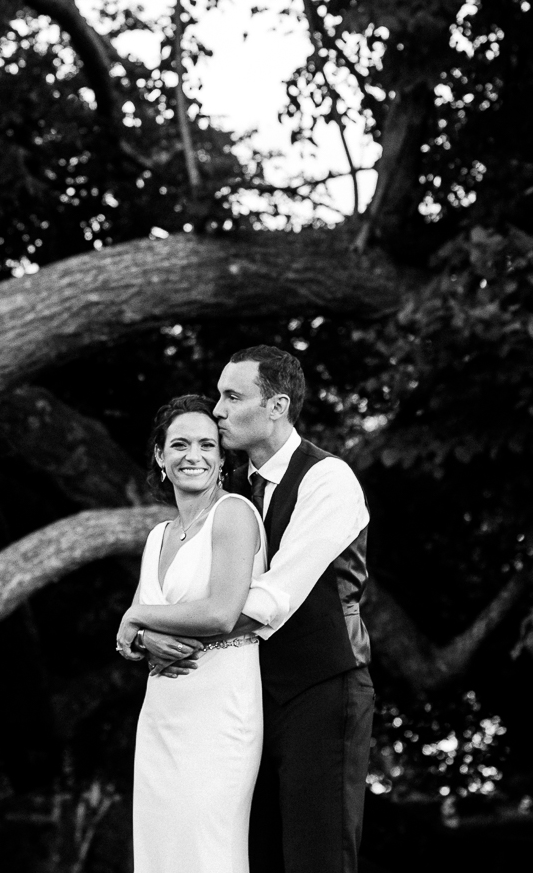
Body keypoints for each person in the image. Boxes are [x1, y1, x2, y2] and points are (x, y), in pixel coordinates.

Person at [212, 345, 374, 873]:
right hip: (247, 696)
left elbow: (275, 597)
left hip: (323, 689)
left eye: (233, 396)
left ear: (277, 406)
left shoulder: (329, 479)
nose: (218, 410)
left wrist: (186, 633)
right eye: (219, 396)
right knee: (250, 856)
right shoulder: (229, 492)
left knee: (317, 857)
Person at [116, 395, 267, 873]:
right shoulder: (157, 536)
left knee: (208, 847)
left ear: (223, 458)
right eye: (179, 445)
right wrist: (140, 637)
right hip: (161, 712)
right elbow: (146, 631)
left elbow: (223, 613)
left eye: (206, 445)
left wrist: (134, 616)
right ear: (161, 457)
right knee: (161, 851)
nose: (193, 456)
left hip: (221, 707)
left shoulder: (235, 514)